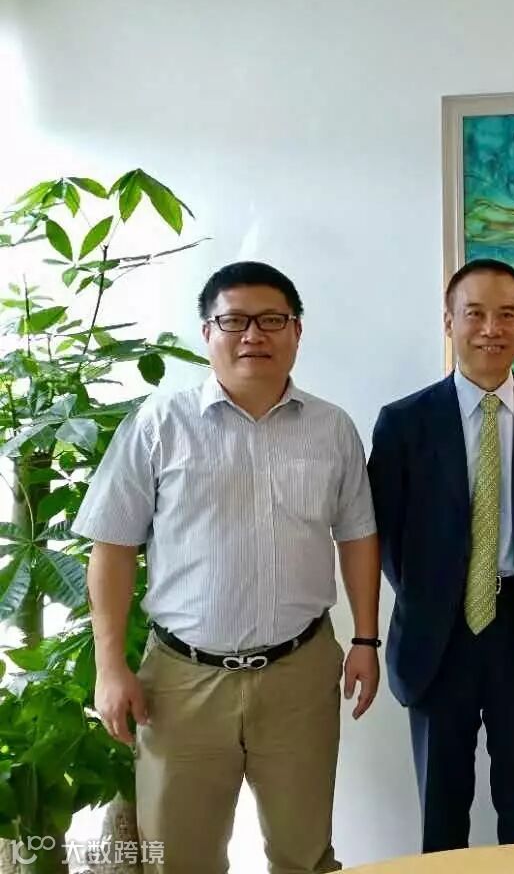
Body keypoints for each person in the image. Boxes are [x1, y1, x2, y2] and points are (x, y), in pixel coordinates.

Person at [76, 261, 382, 874]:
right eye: (234, 321)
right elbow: (111, 546)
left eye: (271, 320)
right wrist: (109, 666)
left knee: (304, 855)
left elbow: (357, 536)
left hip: (299, 675)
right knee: (180, 859)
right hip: (181, 683)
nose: (253, 335)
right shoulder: (160, 424)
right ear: (206, 332)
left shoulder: (332, 428)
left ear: (297, 330)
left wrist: (367, 640)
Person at [368, 258, 514, 852]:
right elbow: (386, 533)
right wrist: (436, 592)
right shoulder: (404, 422)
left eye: (507, 315)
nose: (492, 328)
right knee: (441, 814)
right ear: (449, 321)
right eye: (476, 314)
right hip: (437, 637)